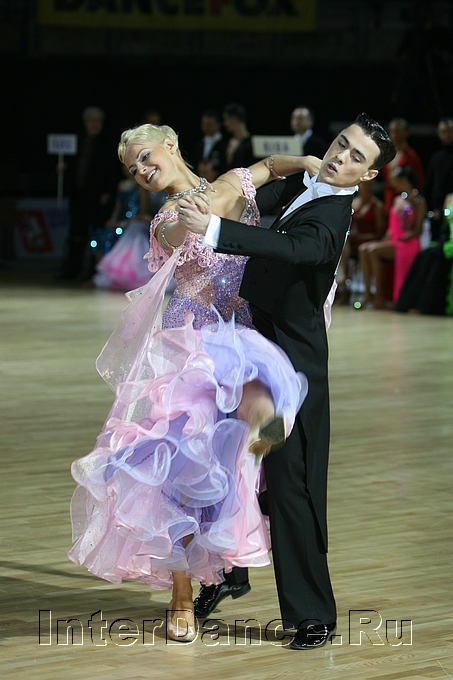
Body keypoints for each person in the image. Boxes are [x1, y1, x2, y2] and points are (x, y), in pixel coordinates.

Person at [68, 123, 321, 643]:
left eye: (144, 156)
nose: (141, 170)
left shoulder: (229, 182)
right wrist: (214, 206)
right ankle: (180, 596)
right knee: (180, 473)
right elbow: (188, 230)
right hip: (193, 346)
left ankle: (256, 428)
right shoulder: (167, 219)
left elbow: (267, 167)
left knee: (232, 467)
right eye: (132, 168)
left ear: (171, 143)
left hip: (242, 335)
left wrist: (306, 163)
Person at [177, 112, 396, 650]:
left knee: (291, 482)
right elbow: (255, 199)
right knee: (227, 464)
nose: (340, 157)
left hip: (291, 368)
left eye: (356, 157)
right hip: (251, 347)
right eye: (341, 144)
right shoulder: (310, 183)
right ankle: (227, 574)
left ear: (368, 175)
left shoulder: (333, 217)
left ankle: (314, 613)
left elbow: (296, 248)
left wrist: (213, 230)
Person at [57, 106, 119, 280]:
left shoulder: (107, 143)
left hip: (98, 196)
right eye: (91, 121)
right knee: (76, 234)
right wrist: (63, 168)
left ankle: (93, 271)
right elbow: (72, 166)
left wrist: (108, 191)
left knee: (96, 233)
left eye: (97, 121)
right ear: (85, 122)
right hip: (78, 194)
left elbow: (112, 170)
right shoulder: (78, 141)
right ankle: (72, 269)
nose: (94, 124)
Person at [359, 166, 426, 307]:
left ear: (404, 181)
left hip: (408, 243)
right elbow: (393, 225)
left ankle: (379, 295)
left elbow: (417, 229)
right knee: (363, 249)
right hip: (395, 240)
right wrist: (389, 237)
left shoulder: (418, 201)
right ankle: (368, 294)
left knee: (372, 250)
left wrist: (401, 238)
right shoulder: (398, 199)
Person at [395, 188, 453, 316]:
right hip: (448, 240)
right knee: (425, 256)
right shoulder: (449, 198)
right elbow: (444, 224)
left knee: (436, 258)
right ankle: (415, 302)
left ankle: (428, 304)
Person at [380, 118, 424, 216]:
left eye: (398, 131)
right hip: (389, 199)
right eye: (392, 131)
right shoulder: (388, 155)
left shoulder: (411, 156)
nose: (394, 134)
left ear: (406, 133)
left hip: (406, 202)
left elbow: (419, 181)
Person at [423, 118, 453, 242]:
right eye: (443, 132)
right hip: (437, 212)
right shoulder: (435, 158)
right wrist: (430, 209)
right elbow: (429, 184)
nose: (446, 135)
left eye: (449, 131)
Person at [194, 109, 227, 183]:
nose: (205, 127)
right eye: (204, 124)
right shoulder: (200, 144)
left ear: (218, 125)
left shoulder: (225, 144)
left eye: (209, 125)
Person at [223, 103, 256, 170]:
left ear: (234, 119)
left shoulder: (252, 144)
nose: (225, 124)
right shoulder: (225, 143)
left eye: (226, 119)